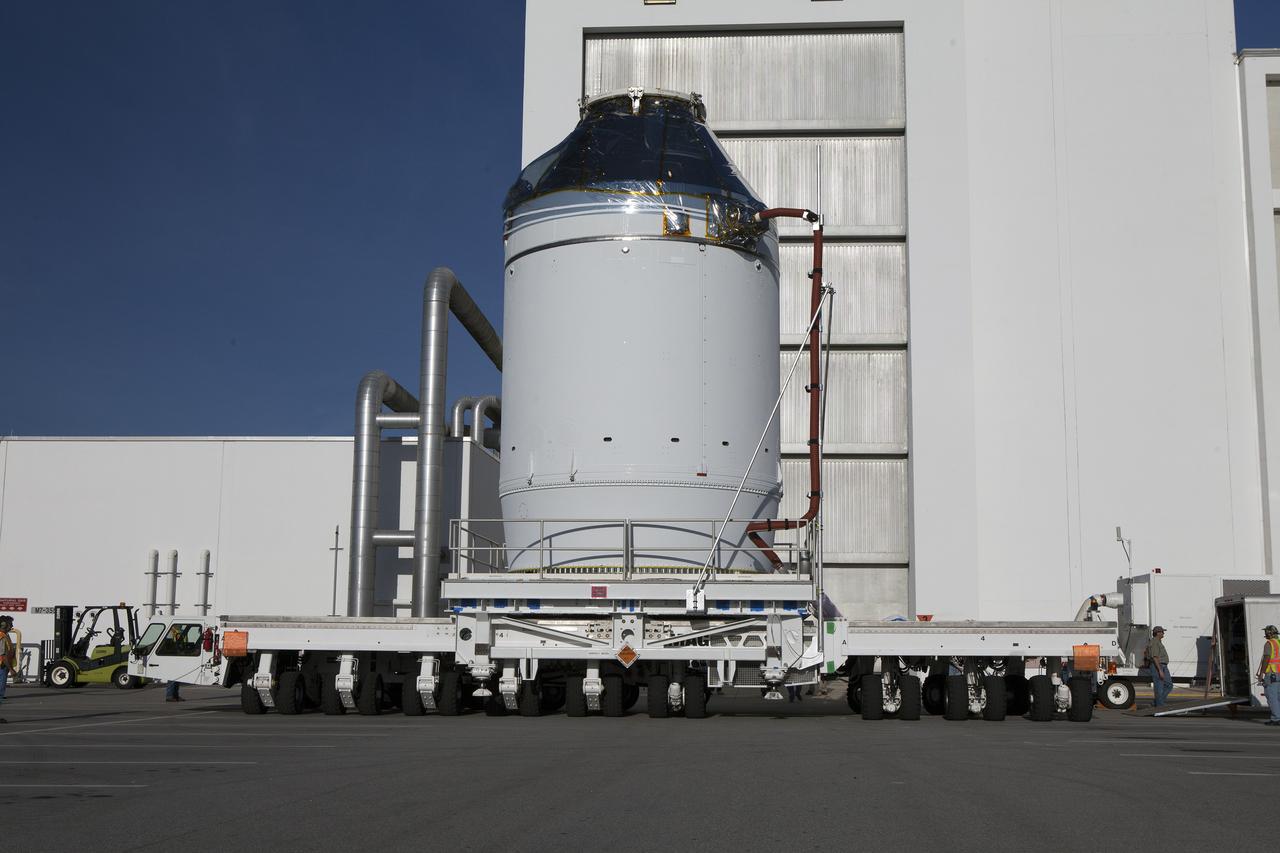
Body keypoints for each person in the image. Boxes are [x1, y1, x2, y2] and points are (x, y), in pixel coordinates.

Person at [1255, 624, 1280, 726]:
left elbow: (1266, 659)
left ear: (1269, 633)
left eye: (1266, 632)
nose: (1265, 633)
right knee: (1278, 697)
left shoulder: (1269, 644)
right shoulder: (1278, 642)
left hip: (1272, 674)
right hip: (1278, 673)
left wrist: (1261, 673)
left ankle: (1276, 719)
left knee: (1271, 696)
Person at [1145, 626, 1173, 708]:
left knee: (1169, 685)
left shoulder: (1158, 642)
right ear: (1157, 633)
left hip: (1163, 666)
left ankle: (1156, 703)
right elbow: (1155, 657)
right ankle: (1160, 706)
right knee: (1159, 688)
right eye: (1162, 632)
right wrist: (1160, 670)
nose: (1163, 633)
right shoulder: (1154, 642)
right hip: (1158, 666)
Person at [0, 615, 16, 724]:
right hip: (1, 667)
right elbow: (3, 655)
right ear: (4, 625)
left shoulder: (5, 636)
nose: (12, 626)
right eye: (10, 624)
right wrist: (11, 669)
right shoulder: (2, 637)